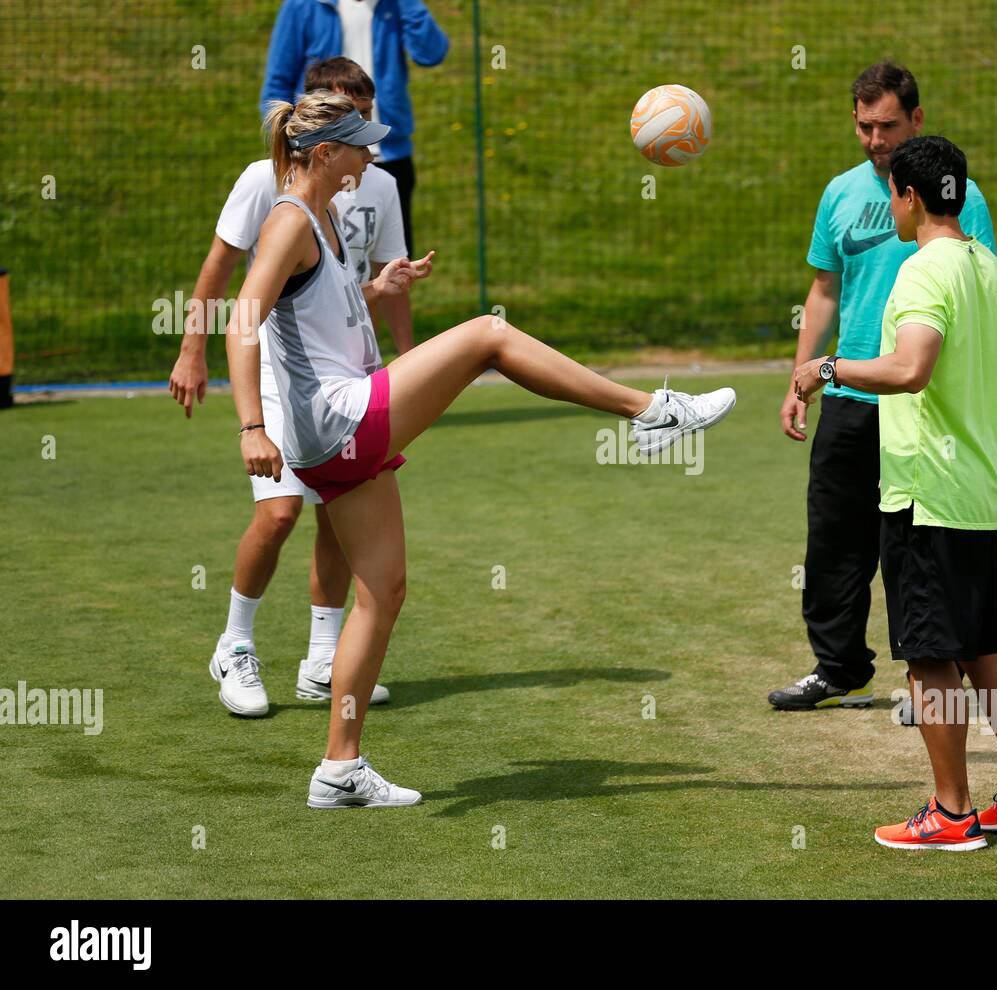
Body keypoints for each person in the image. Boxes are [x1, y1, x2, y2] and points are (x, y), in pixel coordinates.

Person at [227, 91, 736, 808]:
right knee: (487, 336)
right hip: (333, 420)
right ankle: (649, 411)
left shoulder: (329, 214)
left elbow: (312, 314)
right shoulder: (288, 218)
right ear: (322, 155)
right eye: (361, 145)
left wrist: (376, 289)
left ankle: (339, 769)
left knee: (382, 594)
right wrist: (252, 425)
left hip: (339, 426)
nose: (375, 156)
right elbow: (242, 320)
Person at [793, 136, 997, 851]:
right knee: (984, 650)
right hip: (978, 490)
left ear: (907, 198)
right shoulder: (994, 272)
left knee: (929, 657)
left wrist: (829, 367)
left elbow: (910, 369)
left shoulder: (920, 270)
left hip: (924, 494)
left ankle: (950, 811)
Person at [169, 58, 410, 718]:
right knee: (279, 513)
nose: (372, 147)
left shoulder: (349, 196)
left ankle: (322, 660)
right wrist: (195, 351)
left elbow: (315, 297)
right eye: (358, 125)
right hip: (280, 383)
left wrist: (377, 294)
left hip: (342, 382)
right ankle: (235, 645)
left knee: (335, 513)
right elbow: (232, 284)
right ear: (324, 133)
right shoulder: (270, 188)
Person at [769, 63, 996, 712]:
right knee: (833, 539)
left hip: (923, 401)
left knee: (919, 545)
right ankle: (839, 669)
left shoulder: (958, 194)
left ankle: (934, 678)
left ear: (917, 120)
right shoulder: (839, 193)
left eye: (887, 125)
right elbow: (824, 290)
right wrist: (798, 377)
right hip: (848, 393)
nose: (874, 139)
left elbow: (979, 284)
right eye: (864, 126)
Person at [261, 0, 450, 258]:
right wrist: (296, 149)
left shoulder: (394, 5)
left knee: (392, 267)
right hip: (323, 158)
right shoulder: (303, 6)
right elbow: (277, 84)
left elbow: (431, 52)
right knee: (320, 256)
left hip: (387, 155)